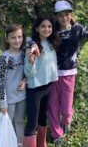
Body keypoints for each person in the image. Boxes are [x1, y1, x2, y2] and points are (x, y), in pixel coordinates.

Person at [30, 0, 88, 144]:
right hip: (51, 75)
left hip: (69, 74)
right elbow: (36, 38)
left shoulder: (77, 29)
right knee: (52, 107)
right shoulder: (53, 32)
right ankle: (56, 134)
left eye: (67, 14)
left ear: (71, 15)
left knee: (65, 109)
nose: (64, 18)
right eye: (60, 15)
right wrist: (32, 44)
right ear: (56, 17)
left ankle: (66, 121)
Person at [23, 16, 60, 147]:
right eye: (43, 26)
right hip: (35, 88)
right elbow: (29, 73)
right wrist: (31, 60)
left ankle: (42, 143)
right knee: (32, 121)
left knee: (43, 117)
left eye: (49, 26)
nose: (46, 29)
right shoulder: (32, 44)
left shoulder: (51, 43)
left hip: (48, 86)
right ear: (36, 28)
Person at [0, 24, 26, 147]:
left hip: (22, 96)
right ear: (7, 39)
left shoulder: (24, 54)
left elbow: (28, 71)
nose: (17, 40)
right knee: (8, 122)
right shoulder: (4, 58)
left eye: (20, 37)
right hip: (9, 99)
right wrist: (3, 102)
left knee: (19, 121)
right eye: (13, 38)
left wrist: (25, 80)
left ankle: (20, 143)